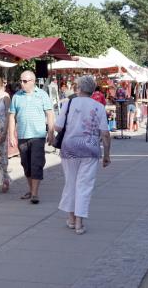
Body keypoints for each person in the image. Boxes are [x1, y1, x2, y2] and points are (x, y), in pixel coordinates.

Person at [56, 76, 111, 234]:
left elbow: (58, 127)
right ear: (93, 90)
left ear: (78, 88)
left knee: (71, 183)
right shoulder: (99, 106)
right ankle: (79, 222)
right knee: (84, 185)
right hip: (90, 150)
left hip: (69, 148)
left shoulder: (69, 103)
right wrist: (107, 154)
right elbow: (105, 134)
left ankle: (71, 219)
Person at [9, 70, 55, 204]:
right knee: (26, 164)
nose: (22, 83)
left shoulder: (42, 95)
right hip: (23, 135)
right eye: (21, 81)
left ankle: (35, 193)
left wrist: (51, 132)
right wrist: (12, 134)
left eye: (25, 81)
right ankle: (31, 190)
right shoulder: (17, 96)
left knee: (36, 163)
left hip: (38, 135)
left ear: (33, 81)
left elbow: (50, 114)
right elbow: (12, 116)